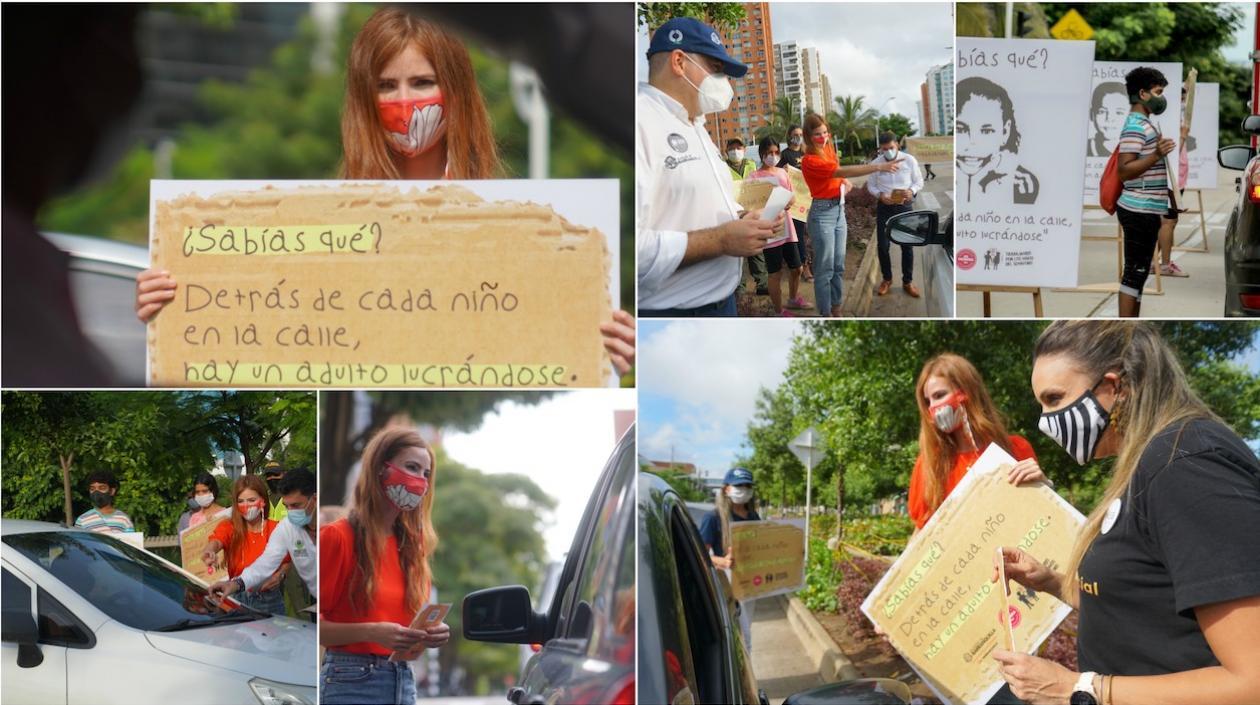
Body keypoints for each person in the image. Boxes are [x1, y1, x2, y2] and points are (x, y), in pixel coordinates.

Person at [133, 7, 635, 376]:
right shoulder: (319, 221)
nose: (403, 101)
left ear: (456, 90)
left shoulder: (527, 226)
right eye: (385, 86)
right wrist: (173, 303)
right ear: (362, 98)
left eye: (421, 82)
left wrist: (606, 341)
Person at [993, 321, 1260, 705]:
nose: (1044, 421)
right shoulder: (1147, 461)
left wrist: (1077, 689)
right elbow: (1148, 604)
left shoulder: (1185, 465)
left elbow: (1252, 681)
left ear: (1115, 387)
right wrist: (1050, 580)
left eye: (1054, 398)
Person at [636, 17, 784, 317]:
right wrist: (722, 240)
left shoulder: (698, 127)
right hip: (671, 314)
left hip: (724, 303)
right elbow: (630, 251)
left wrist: (745, 218)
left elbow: (703, 204)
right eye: (716, 70)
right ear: (679, 61)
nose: (725, 84)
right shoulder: (639, 123)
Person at [319, 426, 451, 705]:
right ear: (380, 468)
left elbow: (409, 643)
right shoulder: (337, 537)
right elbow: (312, 627)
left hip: (402, 679)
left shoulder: (413, 547)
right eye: (412, 467)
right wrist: (371, 631)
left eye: (426, 474)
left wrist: (429, 634)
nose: (420, 481)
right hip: (350, 680)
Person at [909, 353, 1045, 530]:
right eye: (928, 401)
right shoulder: (929, 465)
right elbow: (922, 534)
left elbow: (1037, 514)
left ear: (966, 392)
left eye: (939, 395)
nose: (933, 407)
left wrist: (1042, 485)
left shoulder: (1016, 449)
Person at [799, 113, 898, 317]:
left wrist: (843, 182)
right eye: (817, 134)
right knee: (825, 269)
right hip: (822, 214)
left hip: (839, 210)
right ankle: (826, 313)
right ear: (808, 136)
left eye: (825, 132)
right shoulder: (809, 160)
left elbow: (836, 175)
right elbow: (840, 171)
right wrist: (878, 166)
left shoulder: (828, 150)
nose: (823, 137)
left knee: (838, 265)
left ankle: (837, 307)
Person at [1113, 67, 1176, 318]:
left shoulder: (1145, 124)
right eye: (1158, 92)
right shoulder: (1135, 126)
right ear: (1142, 93)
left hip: (1147, 208)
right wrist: (1156, 154)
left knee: (1138, 277)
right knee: (1134, 274)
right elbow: (1124, 171)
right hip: (1137, 209)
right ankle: (1126, 328)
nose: (1162, 97)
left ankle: (1131, 325)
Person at [208, 468, 319, 604]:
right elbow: (264, 565)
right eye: (286, 506)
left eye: (296, 505)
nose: (291, 512)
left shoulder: (336, 528)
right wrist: (235, 585)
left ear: (315, 499)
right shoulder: (285, 528)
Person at [201, 474, 291, 615]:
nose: (246, 506)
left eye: (251, 500)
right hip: (235, 596)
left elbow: (286, 562)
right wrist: (210, 551)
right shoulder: (228, 527)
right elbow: (216, 541)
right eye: (241, 501)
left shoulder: (276, 529)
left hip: (268, 599)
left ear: (263, 501)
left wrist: (280, 575)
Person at [698, 467, 761, 650]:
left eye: (747, 485)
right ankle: (745, 675)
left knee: (745, 628)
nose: (743, 489)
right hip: (729, 582)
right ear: (726, 489)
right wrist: (723, 562)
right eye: (738, 485)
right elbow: (701, 555)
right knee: (744, 637)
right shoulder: (714, 518)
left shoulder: (753, 516)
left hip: (751, 582)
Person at [955, 77, 1039, 206]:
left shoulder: (1021, 183)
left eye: (987, 131)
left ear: (1005, 132)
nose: (972, 143)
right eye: (960, 130)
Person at [748, 137, 804, 315]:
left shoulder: (782, 173)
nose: (773, 156)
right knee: (775, 273)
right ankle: (779, 311)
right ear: (761, 154)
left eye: (775, 152)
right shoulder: (754, 177)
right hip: (770, 231)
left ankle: (793, 299)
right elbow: (751, 206)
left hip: (787, 227)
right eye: (769, 153)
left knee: (797, 268)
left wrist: (789, 201)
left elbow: (793, 196)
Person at [867, 132, 925, 299]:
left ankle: (907, 281)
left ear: (897, 145)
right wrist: (880, 195)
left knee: (907, 245)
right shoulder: (876, 164)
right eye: (884, 149)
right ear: (880, 149)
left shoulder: (909, 160)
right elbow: (871, 186)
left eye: (891, 148)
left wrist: (911, 191)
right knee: (883, 246)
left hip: (904, 207)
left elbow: (919, 181)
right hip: (885, 208)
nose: (888, 152)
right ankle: (887, 279)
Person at [1156, 85, 1191, 279]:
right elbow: (1171, 151)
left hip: (1178, 176)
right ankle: (1164, 264)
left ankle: (1157, 261)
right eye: (1181, 95)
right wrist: (1183, 135)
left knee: (1170, 220)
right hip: (1171, 177)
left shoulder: (1176, 116)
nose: (1184, 99)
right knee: (1168, 221)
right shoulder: (1167, 118)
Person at [779, 124, 814, 283]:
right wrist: (784, 170)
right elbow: (778, 174)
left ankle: (812, 263)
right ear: (789, 136)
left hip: (812, 198)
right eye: (795, 134)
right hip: (797, 202)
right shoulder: (785, 155)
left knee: (813, 234)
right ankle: (804, 266)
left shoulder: (807, 152)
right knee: (799, 235)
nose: (798, 137)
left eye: (800, 134)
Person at [74, 470, 135, 534]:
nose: (96, 492)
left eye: (102, 488)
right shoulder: (82, 520)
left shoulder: (123, 519)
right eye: (92, 489)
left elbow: (130, 542)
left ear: (112, 491)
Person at [1087, 82, 1129, 158]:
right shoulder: (1087, 148)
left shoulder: (1138, 149)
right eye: (1102, 112)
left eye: (1119, 112)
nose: (1109, 119)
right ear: (1092, 115)